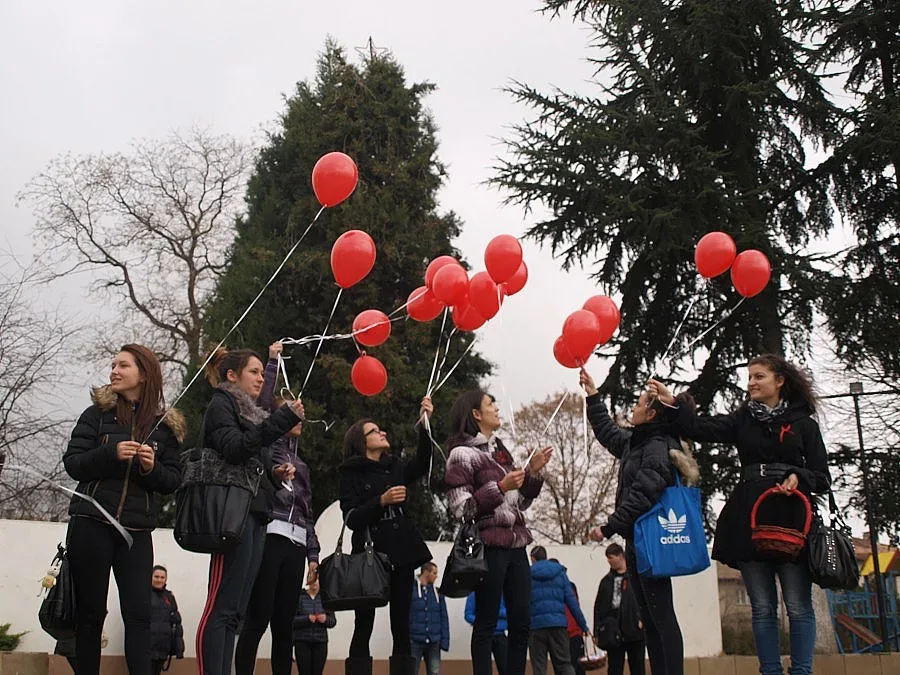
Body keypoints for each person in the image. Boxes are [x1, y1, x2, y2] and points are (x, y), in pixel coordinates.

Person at [649, 354, 831, 675]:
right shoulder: (743, 419)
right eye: (749, 377)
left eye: (759, 376)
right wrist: (673, 402)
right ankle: (769, 671)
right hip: (749, 518)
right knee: (762, 607)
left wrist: (799, 477)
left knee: (798, 605)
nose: (751, 383)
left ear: (780, 381)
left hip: (792, 520)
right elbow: (699, 427)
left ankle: (802, 671)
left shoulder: (804, 423)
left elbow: (822, 477)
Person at [63, 344, 183, 675]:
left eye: (123, 365)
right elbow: (73, 463)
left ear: (143, 374)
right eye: (113, 365)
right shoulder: (95, 416)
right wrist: (110, 453)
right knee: (90, 613)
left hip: (136, 531)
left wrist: (151, 467)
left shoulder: (164, 427)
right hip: (91, 523)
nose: (114, 371)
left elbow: (172, 480)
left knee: (139, 614)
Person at [195, 346, 304, 675]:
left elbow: (249, 459)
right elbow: (233, 448)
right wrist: (282, 420)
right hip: (230, 515)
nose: (260, 378)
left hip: (255, 514)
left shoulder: (253, 415)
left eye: (261, 372)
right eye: (254, 372)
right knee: (222, 606)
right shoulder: (221, 403)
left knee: (237, 611)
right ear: (232, 376)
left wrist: (273, 474)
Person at [582, 368, 695, 675]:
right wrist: (593, 396)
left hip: (652, 539)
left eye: (639, 403)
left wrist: (608, 526)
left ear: (652, 413)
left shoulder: (658, 447)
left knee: (662, 616)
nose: (632, 407)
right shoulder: (636, 442)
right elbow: (607, 431)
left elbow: (643, 495)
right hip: (637, 539)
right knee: (650, 614)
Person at [444, 390, 553, 675]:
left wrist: (533, 474)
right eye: (490, 404)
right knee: (486, 623)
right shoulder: (461, 454)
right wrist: (501, 487)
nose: (496, 408)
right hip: (488, 546)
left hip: (517, 546)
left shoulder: (500, 450)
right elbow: (461, 509)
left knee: (522, 623)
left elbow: (521, 503)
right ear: (476, 414)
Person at [339, 397, 436, 675]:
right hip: (370, 554)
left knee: (401, 623)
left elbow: (422, 462)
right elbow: (351, 517)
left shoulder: (395, 466)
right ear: (361, 441)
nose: (382, 433)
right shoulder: (350, 472)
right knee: (364, 623)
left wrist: (425, 425)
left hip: (401, 551)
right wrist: (380, 501)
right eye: (374, 431)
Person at [235, 386, 321, 675]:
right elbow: (259, 404)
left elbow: (308, 512)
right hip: (271, 534)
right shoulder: (266, 448)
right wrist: (272, 362)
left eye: (300, 415)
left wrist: (313, 555)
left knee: (284, 623)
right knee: (258, 616)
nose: (298, 419)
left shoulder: (304, 467)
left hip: (296, 543)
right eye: (290, 413)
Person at [527, 547, 589, 675]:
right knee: (564, 664)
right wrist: (583, 625)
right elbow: (572, 603)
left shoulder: (527, 574)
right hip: (558, 626)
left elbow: (522, 603)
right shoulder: (560, 573)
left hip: (536, 627)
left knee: (539, 667)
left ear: (533, 558)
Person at [594, 543, 645, 675]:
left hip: (634, 629)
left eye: (611, 558)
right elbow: (598, 607)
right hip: (613, 631)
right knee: (615, 668)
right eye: (608, 558)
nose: (609, 561)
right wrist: (597, 631)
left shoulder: (636, 577)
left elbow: (644, 601)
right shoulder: (606, 581)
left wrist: (642, 619)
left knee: (637, 666)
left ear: (621, 556)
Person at [409, 562, 450, 675]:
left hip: (434, 641)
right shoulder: (412, 592)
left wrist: (444, 641)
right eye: (434, 573)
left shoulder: (437, 593)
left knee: (435, 671)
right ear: (426, 573)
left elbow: (443, 617)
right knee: (412, 671)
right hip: (415, 640)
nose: (436, 576)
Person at [292, 577, 336, 675]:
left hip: (320, 642)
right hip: (301, 641)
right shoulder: (300, 596)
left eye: (317, 579)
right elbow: (292, 620)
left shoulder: (326, 597)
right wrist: (306, 619)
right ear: (308, 580)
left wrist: (325, 619)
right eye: (312, 579)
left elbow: (332, 621)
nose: (315, 582)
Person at [149, 565, 185, 675]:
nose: (159, 580)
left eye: (162, 577)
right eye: (156, 576)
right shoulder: (144, 595)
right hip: (147, 648)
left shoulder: (169, 597)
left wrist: (179, 650)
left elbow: (177, 623)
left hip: (163, 648)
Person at [464, 592, 508, 675]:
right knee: (482, 670)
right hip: (482, 635)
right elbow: (468, 615)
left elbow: (509, 611)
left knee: (506, 668)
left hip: (500, 635)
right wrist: (483, 620)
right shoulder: (474, 594)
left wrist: (495, 612)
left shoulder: (502, 594)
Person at [565, 579, 586, 675]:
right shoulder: (569, 586)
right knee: (577, 668)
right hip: (573, 632)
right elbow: (575, 608)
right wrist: (583, 627)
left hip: (563, 633)